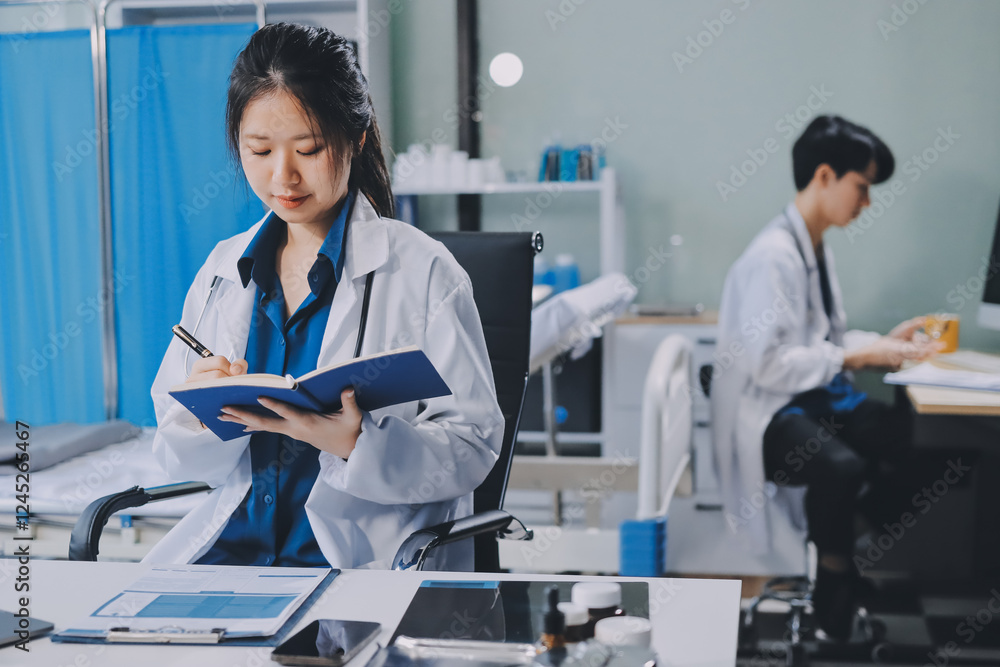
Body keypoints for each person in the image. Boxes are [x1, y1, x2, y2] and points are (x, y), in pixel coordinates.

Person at [145, 23, 503, 570]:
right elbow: (174, 452)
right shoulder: (224, 268)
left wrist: (357, 441)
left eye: (307, 149)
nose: (282, 176)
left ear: (356, 138)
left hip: (351, 567)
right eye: (259, 150)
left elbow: (472, 444)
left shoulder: (425, 271)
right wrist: (200, 411)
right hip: (228, 558)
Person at [712, 115, 940, 640]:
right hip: (770, 411)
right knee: (840, 468)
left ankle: (837, 547)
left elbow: (822, 339)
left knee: (924, 446)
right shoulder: (772, 257)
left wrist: (885, 342)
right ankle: (836, 584)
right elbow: (770, 364)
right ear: (823, 176)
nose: (866, 202)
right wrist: (858, 358)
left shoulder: (814, 247)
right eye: (861, 187)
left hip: (811, 396)